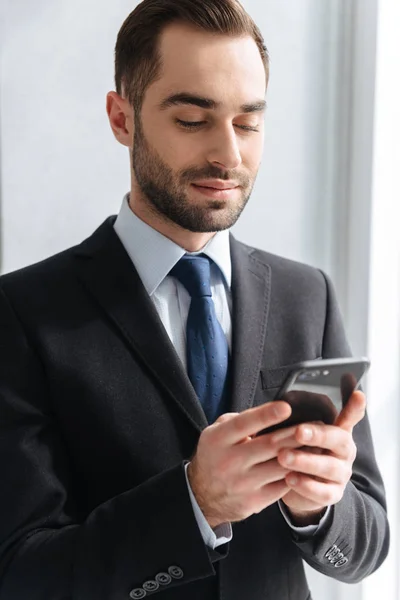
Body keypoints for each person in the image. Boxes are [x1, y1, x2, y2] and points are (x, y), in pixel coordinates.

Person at [0, 1, 389, 599]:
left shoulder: (306, 294)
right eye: (192, 120)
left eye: (249, 122)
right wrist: (196, 503)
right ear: (121, 118)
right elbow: (21, 574)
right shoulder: (23, 313)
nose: (229, 155)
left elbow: (367, 548)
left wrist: (318, 508)